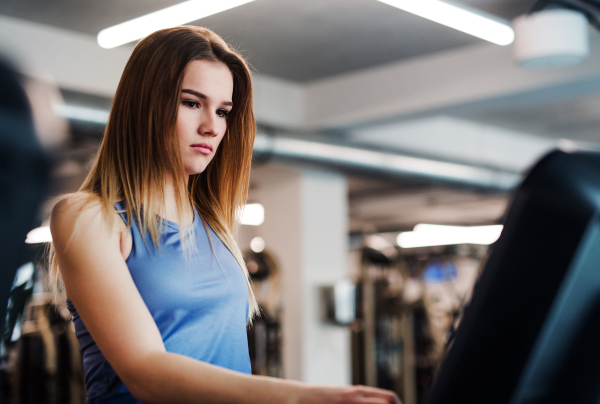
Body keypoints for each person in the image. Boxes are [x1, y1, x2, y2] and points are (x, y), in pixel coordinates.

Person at [48, 26, 400, 404]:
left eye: (222, 111)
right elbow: (144, 371)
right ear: (144, 104)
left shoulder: (214, 224)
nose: (211, 127)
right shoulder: (89, 217)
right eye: (190, 103)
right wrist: (302, 396)